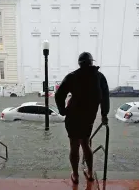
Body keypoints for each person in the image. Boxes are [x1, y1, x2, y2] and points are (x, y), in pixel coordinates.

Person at [55, 52, 110, 184]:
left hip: (72, 117)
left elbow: (58, 95)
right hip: (88, 117)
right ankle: (90, 173)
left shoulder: (72, 76)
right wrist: (104, 114)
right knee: (85, 144)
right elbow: (105, 97)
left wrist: (62, 111)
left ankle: (75, 175)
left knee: (74, 146)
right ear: (91, 62)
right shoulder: (99, 77)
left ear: (79, 63)